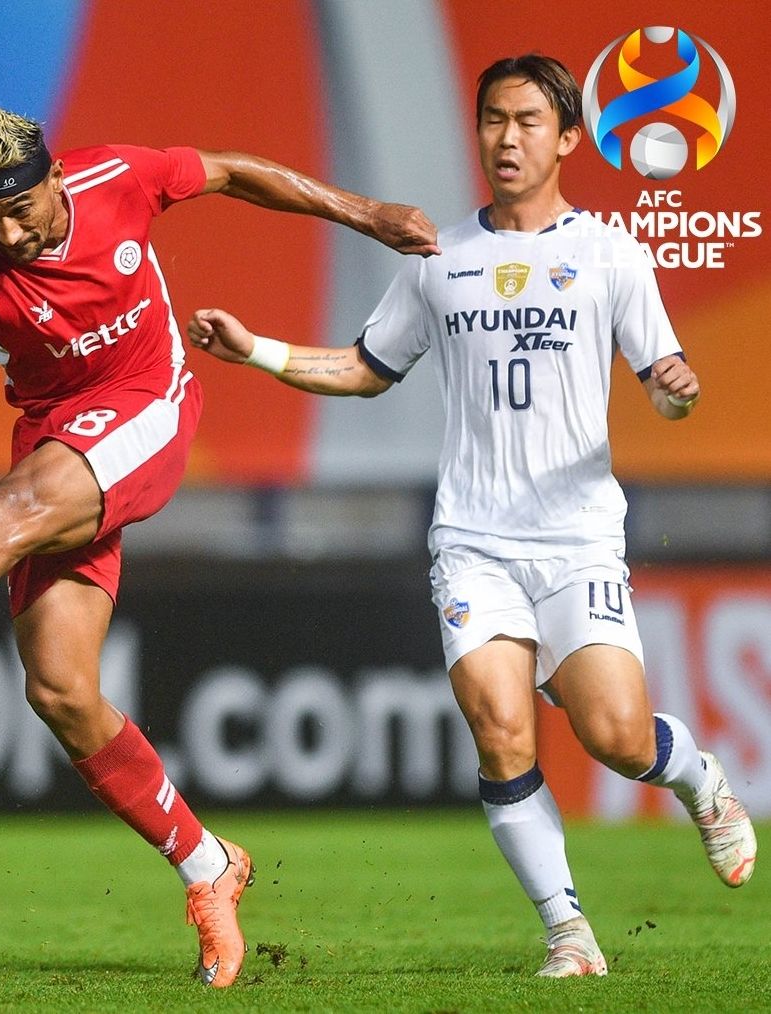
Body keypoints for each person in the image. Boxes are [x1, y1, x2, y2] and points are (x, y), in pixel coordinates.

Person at [0, 107, 438, 988]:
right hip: (55, 438)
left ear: (51, 177)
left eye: (20, 210)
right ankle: (208, 866)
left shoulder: (118, 176)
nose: (5, 233)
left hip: (147, 408)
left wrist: (366, 214)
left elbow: (232, 166)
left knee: (7, 519)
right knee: (60, 689)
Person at [186, 53, 756, 978]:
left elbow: (665, 381)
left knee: (613, 735)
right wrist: (257, 350)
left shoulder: (608, 253)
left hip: (576, 540)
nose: (504, 137)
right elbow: (367, 369)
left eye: (528, 121)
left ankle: (697, 780)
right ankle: (567, 932)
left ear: (569, 138)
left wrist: (678, 394)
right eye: (493, 118)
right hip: (473, 542)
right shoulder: (436, 257)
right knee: (499, 726)